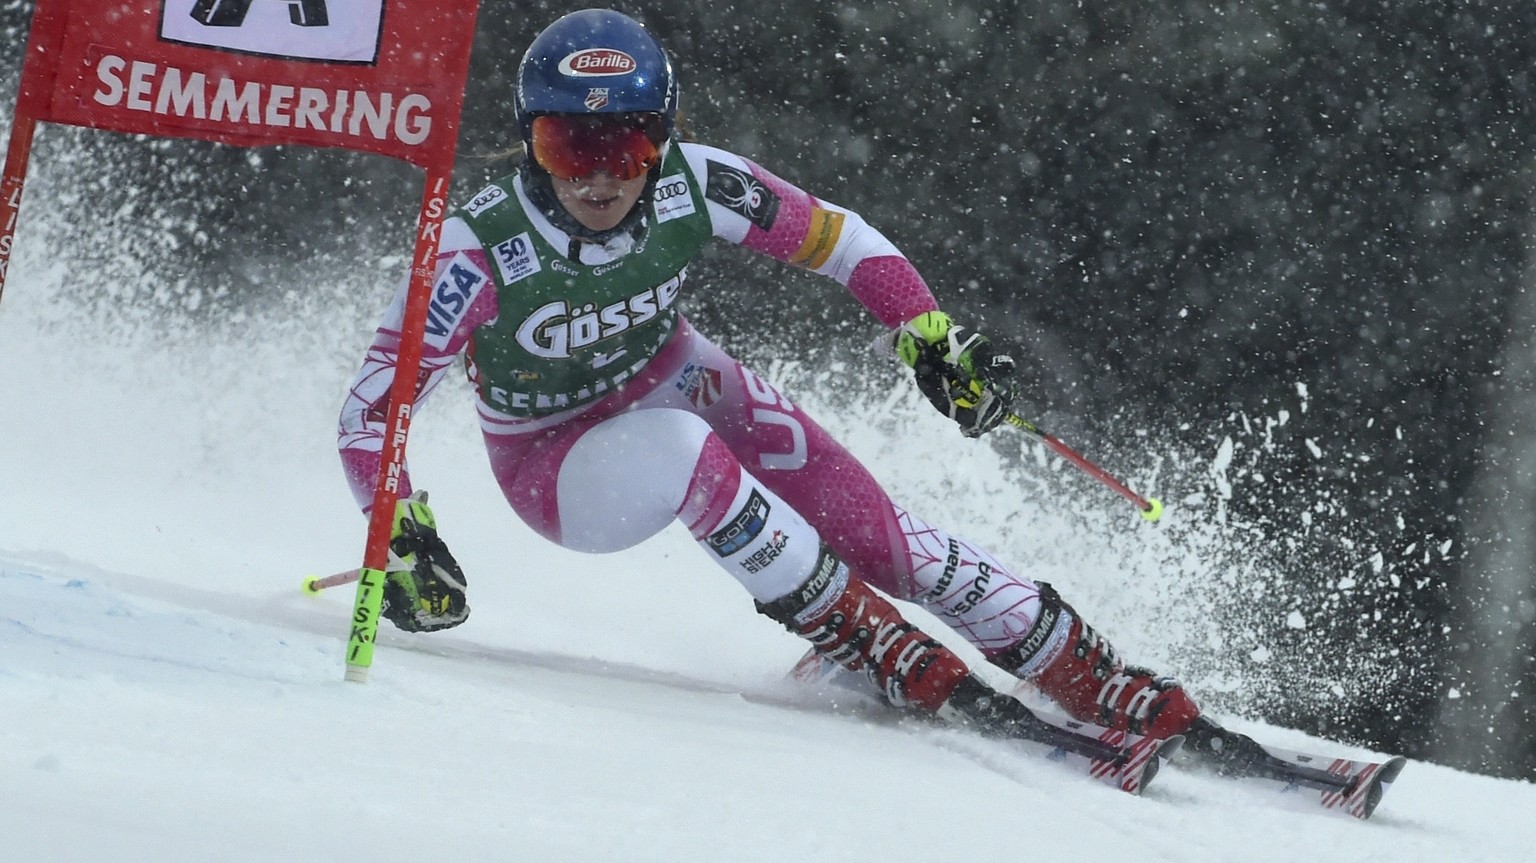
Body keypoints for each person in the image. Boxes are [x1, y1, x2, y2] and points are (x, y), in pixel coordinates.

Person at [337, 8, 1255, 762]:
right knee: (690, 454)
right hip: (557, 465)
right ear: (529, 144)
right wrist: (402, 526)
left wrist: (928, 335)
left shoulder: (699, 187)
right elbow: (371, 411)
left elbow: (843, 240)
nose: (605, 175)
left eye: (631, 144)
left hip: (679, 378)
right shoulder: (475, 247)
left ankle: (1079, 665)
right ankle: (859, 634)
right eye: (571, 146)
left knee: (886, 536)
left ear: (666, 138)